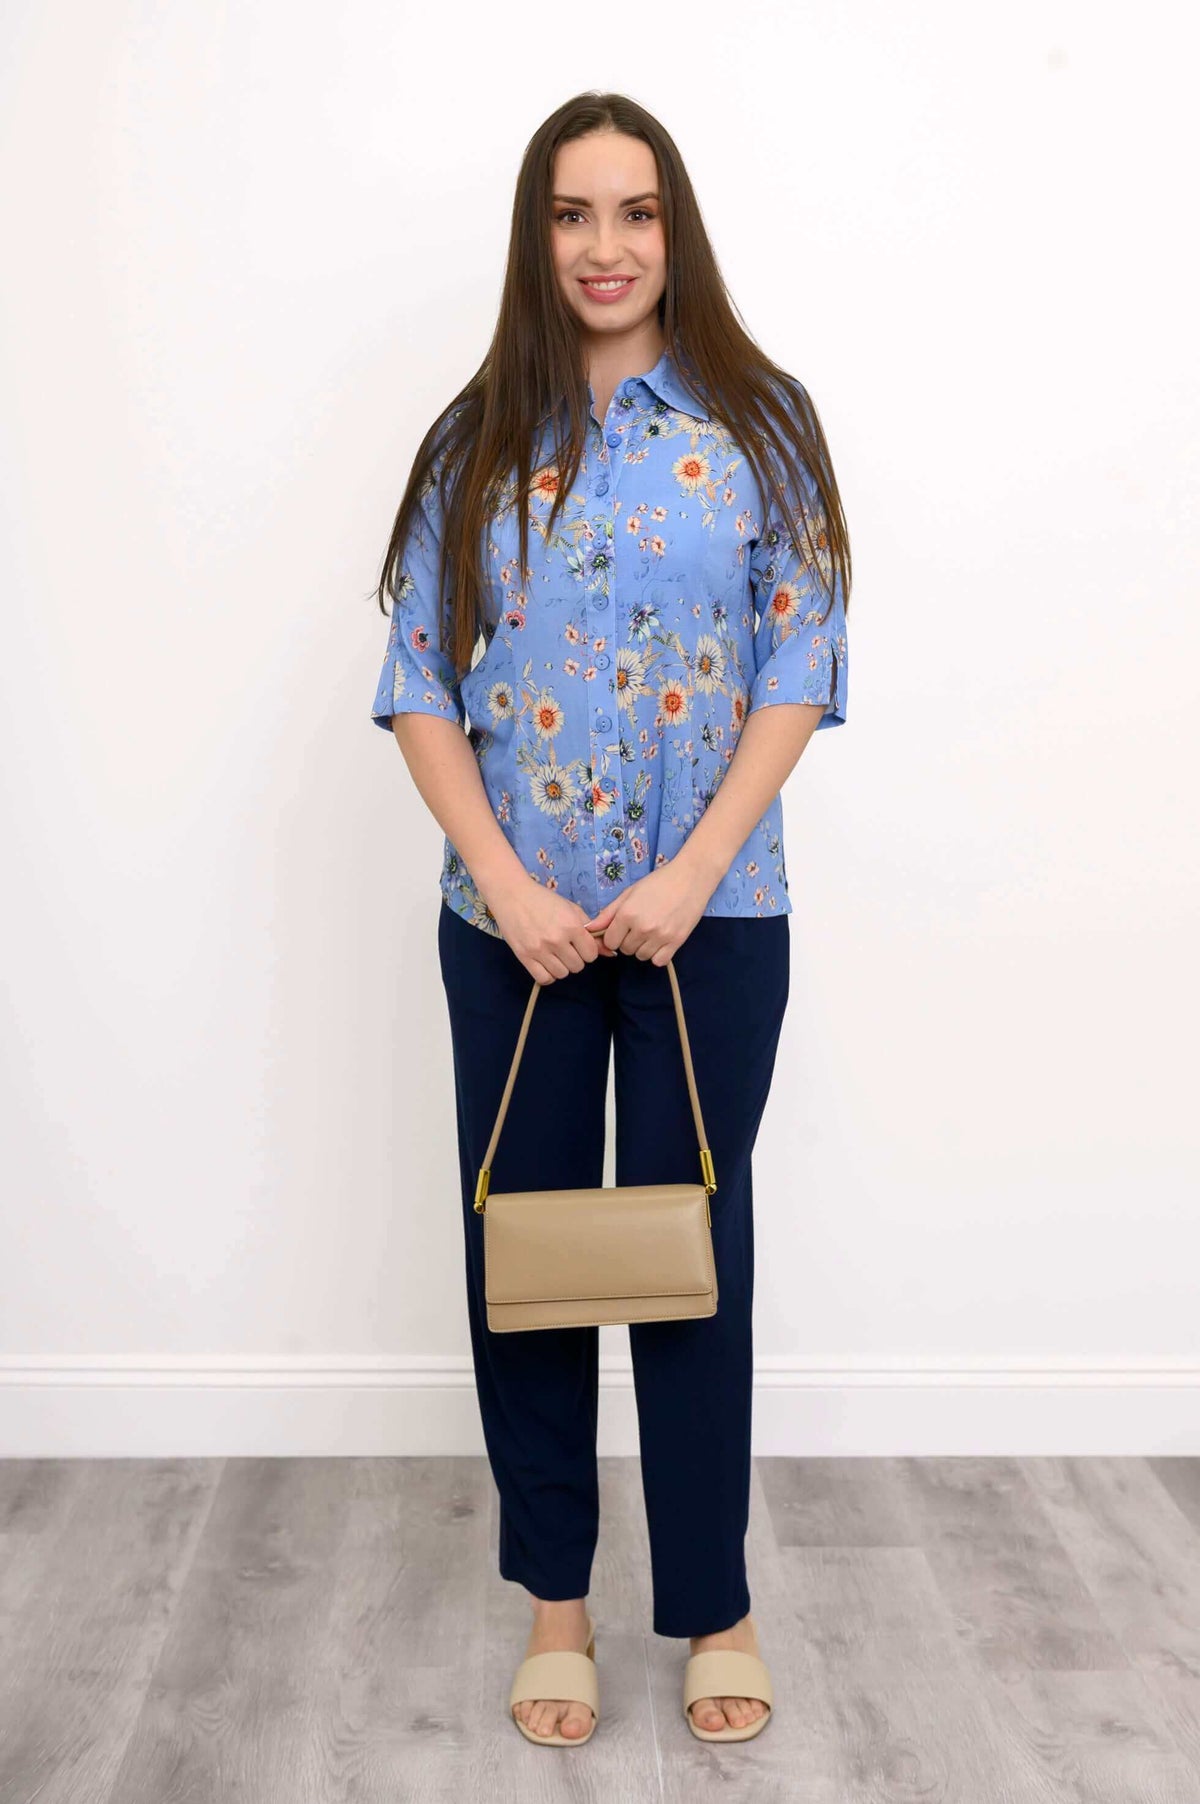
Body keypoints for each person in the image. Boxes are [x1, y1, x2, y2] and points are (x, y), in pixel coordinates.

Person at [369, 91, 850, 1748]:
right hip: (509, 928)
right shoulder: (474, 440)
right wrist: (507, 885)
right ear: (538, 234)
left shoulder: (761, 424)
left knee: (690, 1257)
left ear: (676, 228)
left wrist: (691, 871)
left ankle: (714, 1601)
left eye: (634, 213)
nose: (605, 247)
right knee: (533, 1253)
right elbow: (420, 685)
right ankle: (555, 1606)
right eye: (573, 215)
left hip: (710, 915)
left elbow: (802, 665)